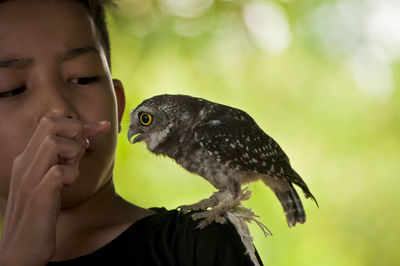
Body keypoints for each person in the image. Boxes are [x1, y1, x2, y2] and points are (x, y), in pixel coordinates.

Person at [0, 0, 263, 265]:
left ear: (118, 106)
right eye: (11, 90)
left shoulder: (197, 244)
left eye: (82, 78)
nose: (58, 109)